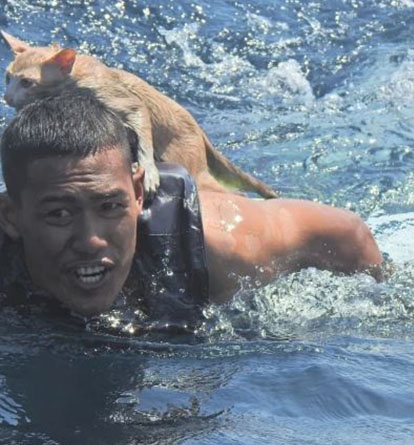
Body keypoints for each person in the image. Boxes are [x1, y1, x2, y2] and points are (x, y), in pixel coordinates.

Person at [0, 92, 383, 319]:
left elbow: (345, 232)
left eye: (110, 206)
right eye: (59, 214)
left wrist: (380, 295)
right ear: (12, 216)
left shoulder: (217, 245)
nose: (91, 240)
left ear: (138, 192)